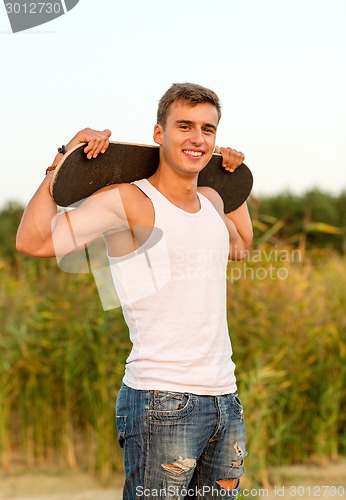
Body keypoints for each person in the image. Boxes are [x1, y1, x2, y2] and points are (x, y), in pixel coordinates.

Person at [16, 82, 253, 499]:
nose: (197, 138)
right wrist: (63, 159)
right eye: (184, 126)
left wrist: (227, 177)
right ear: (159, 134)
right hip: (162, 400)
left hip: (224, 399)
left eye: (207, 129)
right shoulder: (127, 201)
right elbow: (33, 242)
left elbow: (241, 245)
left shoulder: (213, 200)